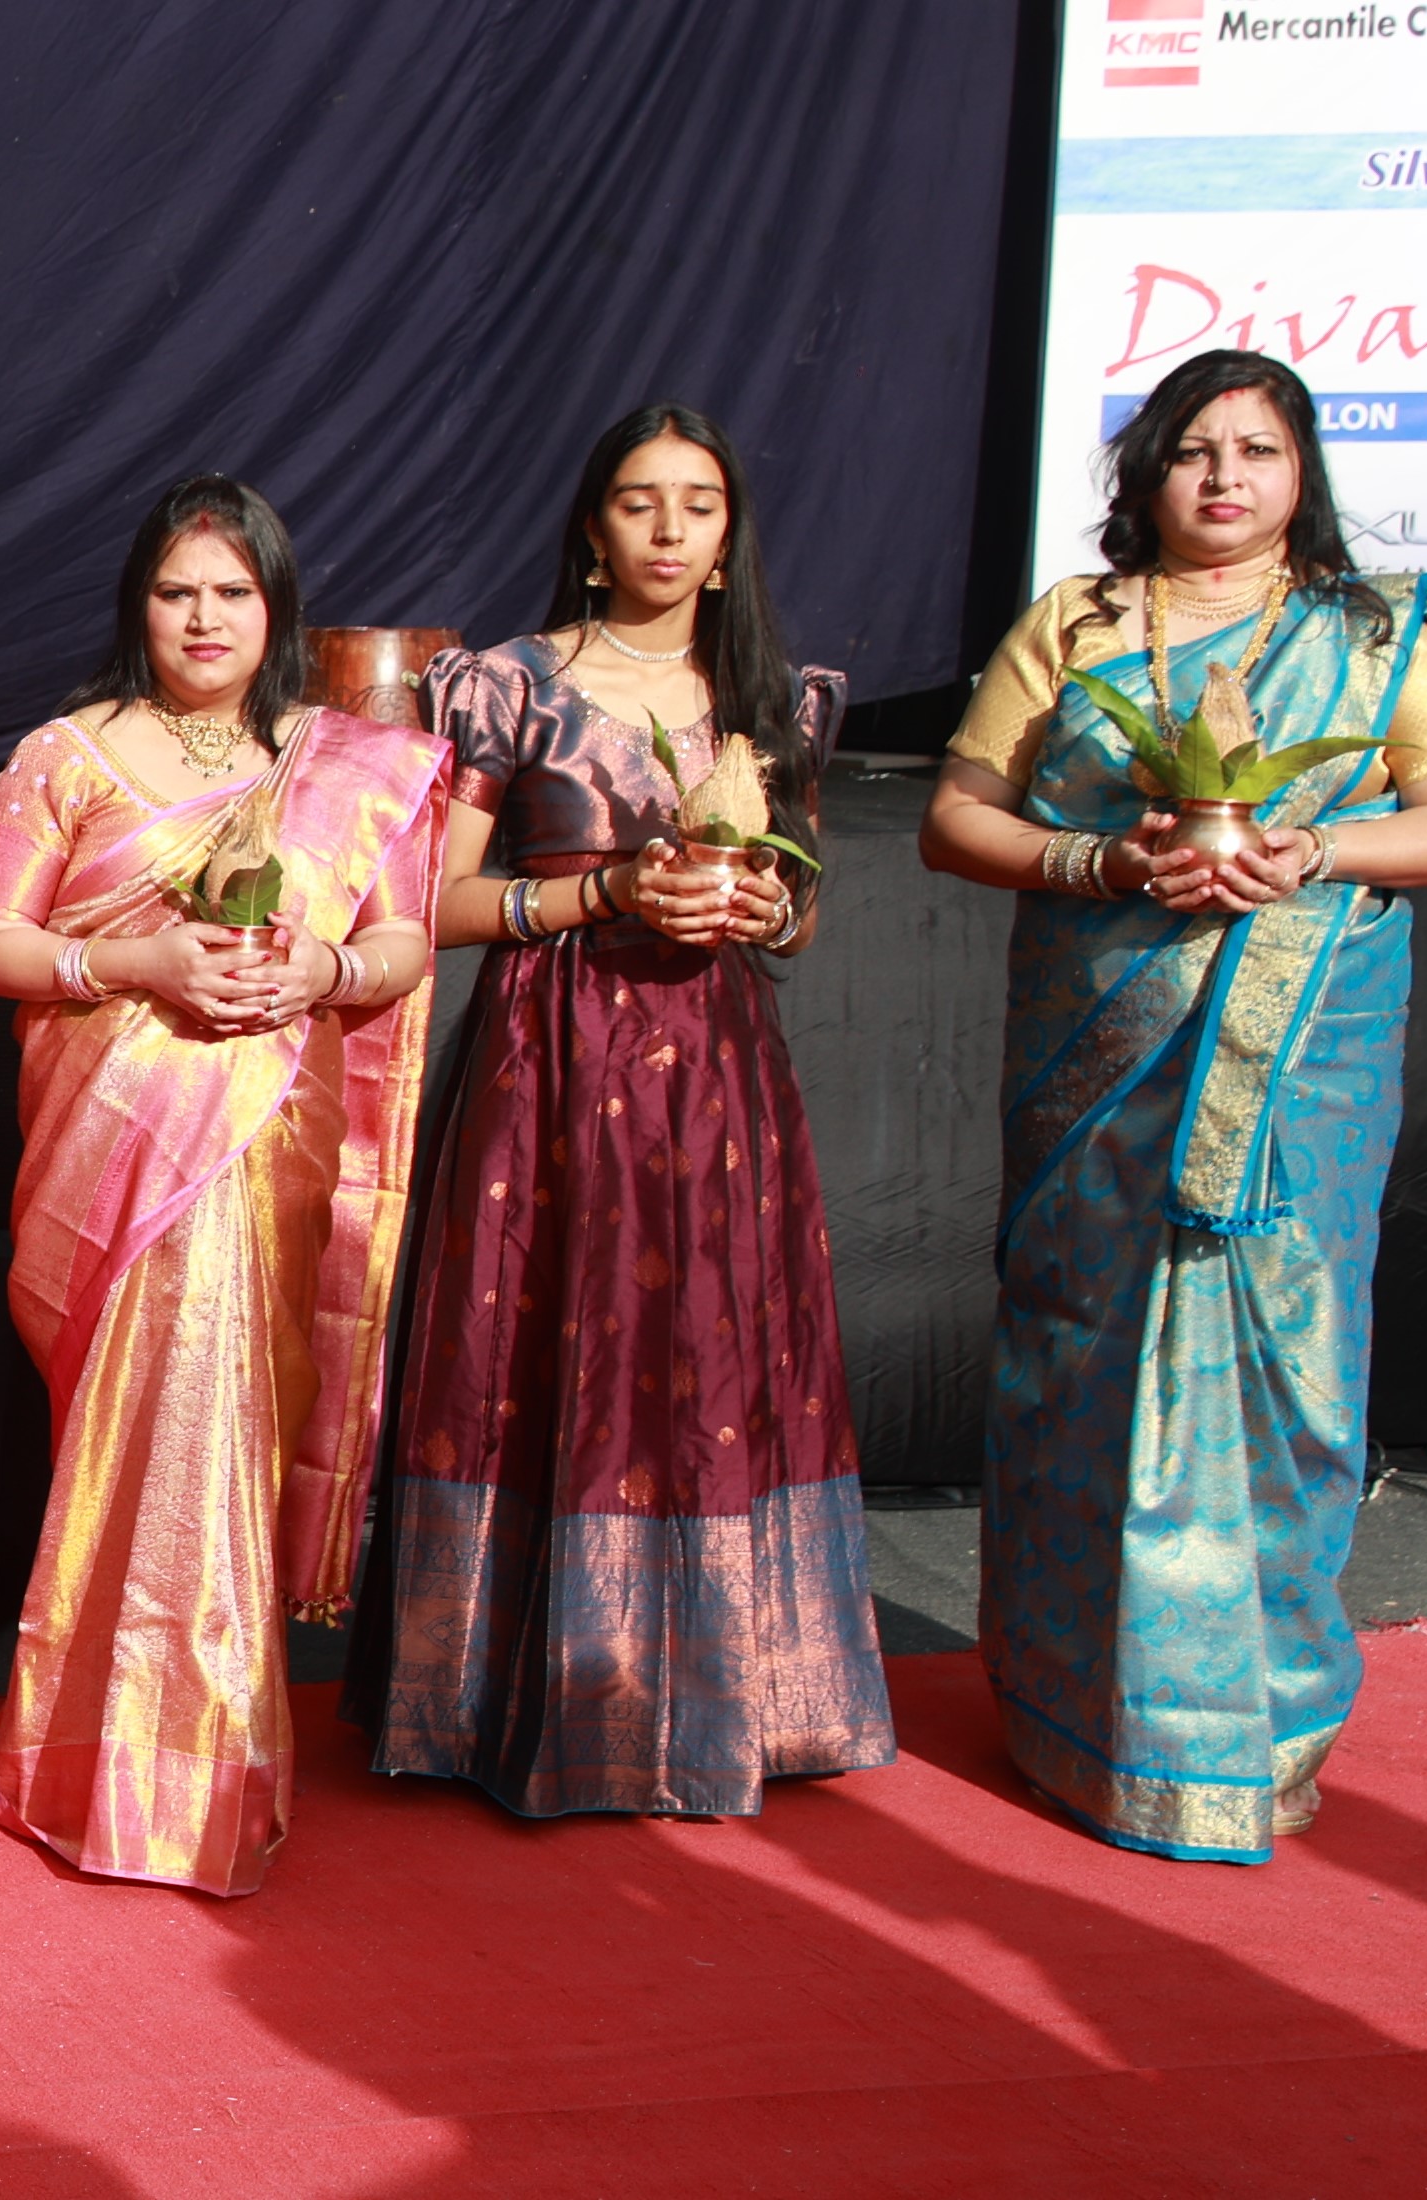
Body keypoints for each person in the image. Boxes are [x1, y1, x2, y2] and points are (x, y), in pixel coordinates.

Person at [917, 348, 1427, 1863]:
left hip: (1299, 1078)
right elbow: (957, 817)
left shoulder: (1370, 636)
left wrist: (1312, 851)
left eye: (1258, 449)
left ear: (1303, 473)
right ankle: (1076, 1719)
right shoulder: (1079, 624)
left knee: (1284, 1367)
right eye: (1195, 449)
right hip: (1099, 1071)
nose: (1226, 476)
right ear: (1148, 473)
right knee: (1087, 1357)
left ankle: (1256, 1730)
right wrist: (1103, 862)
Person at [345, 406, 898, 1817]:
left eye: (698, 505)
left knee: (712, 1347)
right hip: (554, 1064)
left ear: (727, 539)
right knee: (548, 1343)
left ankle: (735, 1696)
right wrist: (600, 891)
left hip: (720, 1078)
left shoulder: (776, 697)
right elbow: (429, 902)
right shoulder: (510, 687)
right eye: (640, 501)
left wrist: (767, 906)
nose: (668, 528)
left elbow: (801, 909)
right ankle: (509, 1697)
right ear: (593, 531)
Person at [0, 476, 446, 1897]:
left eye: (234, 592)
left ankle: (201, 1775)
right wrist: (140, 962)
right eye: (177, 591)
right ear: (139, 604)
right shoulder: (65, 755)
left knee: (226, 1434)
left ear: (277, 608)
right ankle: (81, 1759)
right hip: (112, 1149)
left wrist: (324, 971)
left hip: (265, 1142)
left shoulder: (342, 765)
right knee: (126, 1439)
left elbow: (405, 945)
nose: (205, 617)